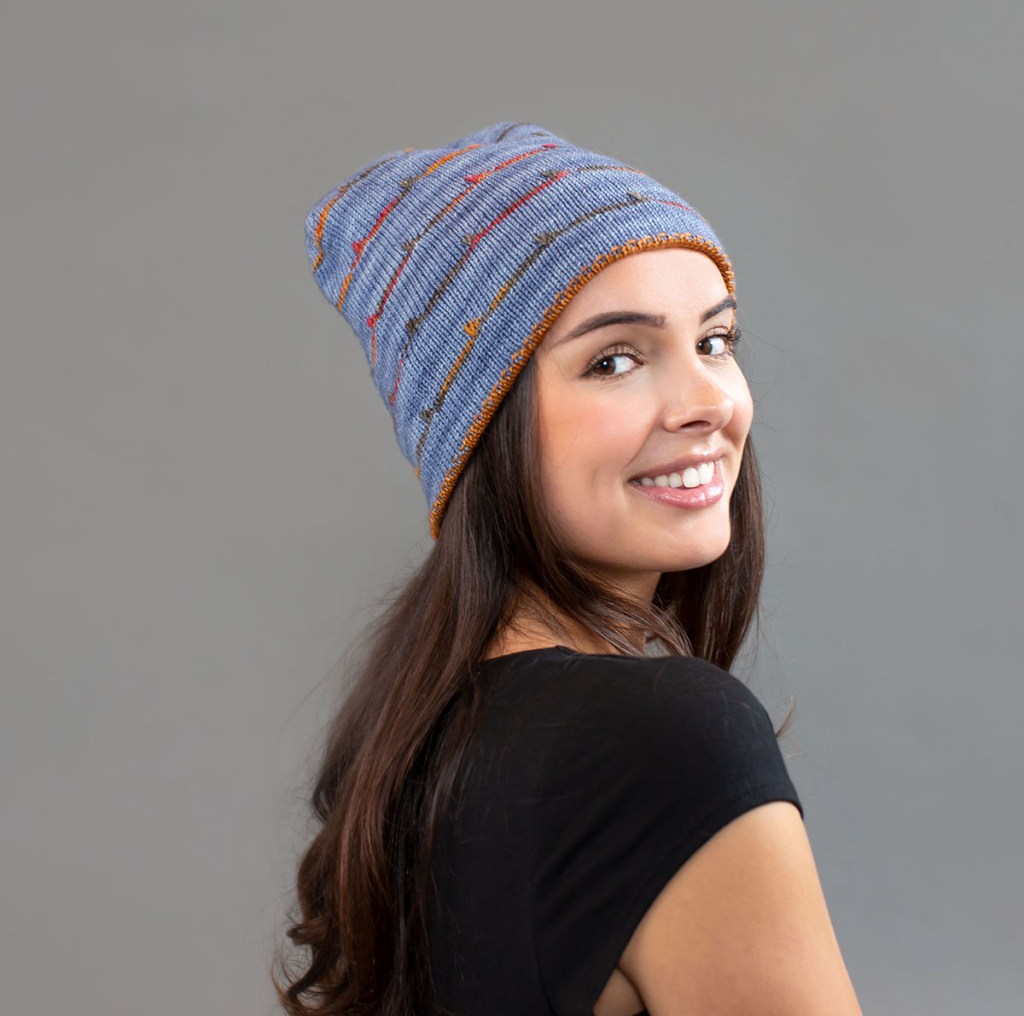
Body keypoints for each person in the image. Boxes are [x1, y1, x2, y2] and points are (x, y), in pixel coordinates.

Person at [275, 121, 862, 1016]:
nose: (708, 401)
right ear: (482, 430)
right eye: (615, 359)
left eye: (714, 341)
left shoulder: (415, 745)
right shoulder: (668, 742)